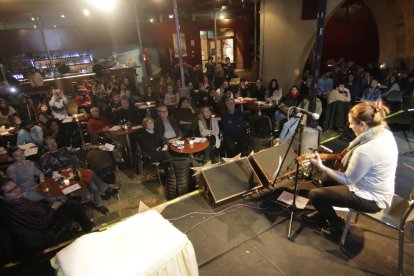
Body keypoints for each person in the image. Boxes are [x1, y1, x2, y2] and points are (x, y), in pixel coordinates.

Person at [303, 101, 398, 239]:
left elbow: (348, 179)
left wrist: (321, 166)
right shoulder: (383, 132)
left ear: (363, 125)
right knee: (327, 179)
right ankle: (323, 213)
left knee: (314, 195)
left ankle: (338, 226)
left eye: (352, 123)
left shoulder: (365, 150)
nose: (350, 126)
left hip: (371, 199)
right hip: (380, 188)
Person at [40, 137, 117, 215]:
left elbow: (79, 149)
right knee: (90, 173)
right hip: (61, 180)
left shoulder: (64, 149)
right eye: (50, 143)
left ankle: (99, 204)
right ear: (46, 147)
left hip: (74, 174)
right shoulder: (45, 158)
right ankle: (104, 190)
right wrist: (62, 172)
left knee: (93, 185)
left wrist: (92, 147)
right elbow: (48, 173)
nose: (53, 144)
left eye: (54, 142)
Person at [0, 177, 94, 234]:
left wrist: (51, 206)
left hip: (46, 214)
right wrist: (53, 209)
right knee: (72, 205)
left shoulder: (18, 199)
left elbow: (37, 205)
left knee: (64, 201)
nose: (16, 191)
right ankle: (89, 227)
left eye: (16, 187)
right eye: (10, 191)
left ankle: (81, 202)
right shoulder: (14, 211)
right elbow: (41, 225)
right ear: (2, 197)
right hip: (48, 227)